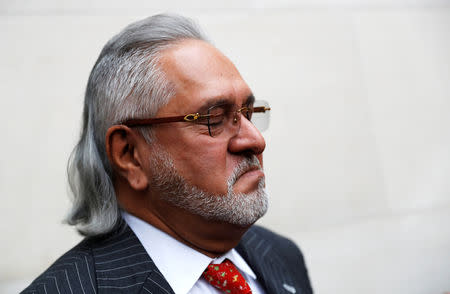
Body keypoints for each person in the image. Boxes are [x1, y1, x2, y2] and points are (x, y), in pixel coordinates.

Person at [22, 14, 313, 294]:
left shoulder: (281, 256)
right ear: (130, 155)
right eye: (213, 118)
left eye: (248, 113)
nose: (255, 140)